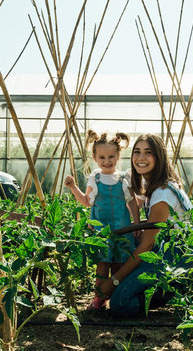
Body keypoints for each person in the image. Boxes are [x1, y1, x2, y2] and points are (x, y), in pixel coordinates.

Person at [99, 133, 193, 317]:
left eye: (148, 153)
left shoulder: (162, 194)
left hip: (176, 259)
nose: (141, 158)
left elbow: (147, 246)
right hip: (174, 251)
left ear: (159, 157)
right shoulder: (161, 184)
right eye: (137, 152)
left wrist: (114, 280)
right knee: (126, 243)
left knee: (120, 304)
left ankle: (176, 288)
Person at [64, 130, 140, 311]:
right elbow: (86, 202)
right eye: (102, 157)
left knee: (119, 265)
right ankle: (99, 299)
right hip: (101, 233)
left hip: (122, 230)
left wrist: (136, 223)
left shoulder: (123, 178)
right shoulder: (95, 178)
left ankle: (116, 298)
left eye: (111, 157)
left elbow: (132, 202)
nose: (107, 161)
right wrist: (73, 187)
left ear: (118, 156)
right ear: (95, 157)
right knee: (102, 266)